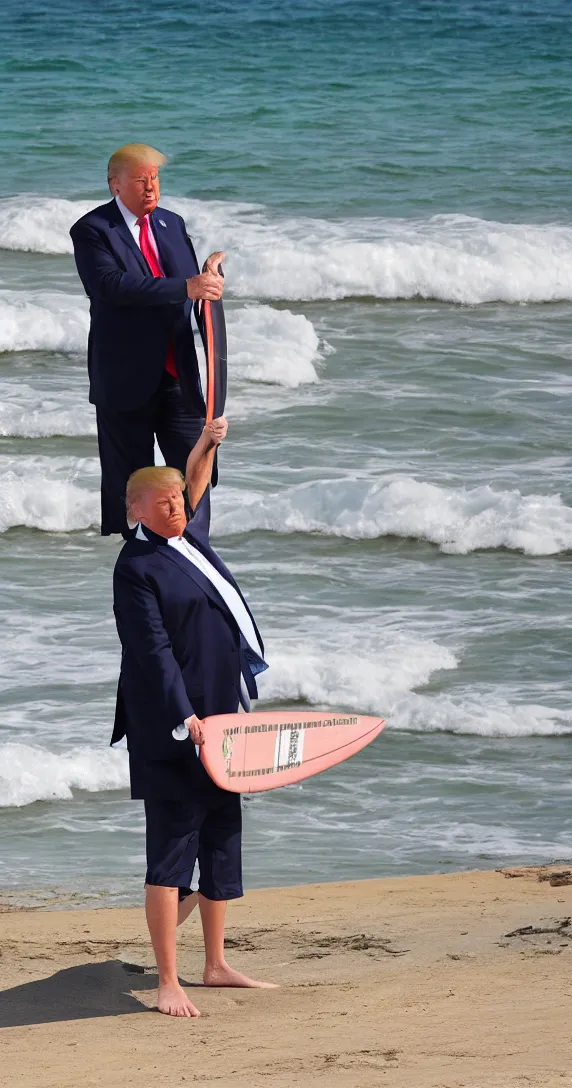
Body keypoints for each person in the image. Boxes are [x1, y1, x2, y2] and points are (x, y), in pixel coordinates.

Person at [111, 418, 276, 1017]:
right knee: (172, 850)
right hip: (171, 728)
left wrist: (204, 445)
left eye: (179, 499)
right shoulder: (136, 568)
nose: (178, 507)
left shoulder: (189, 537)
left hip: (219, 717)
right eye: (164, 503)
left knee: (221, 839)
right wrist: (187, 718)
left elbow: (197, 483)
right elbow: (150, 651)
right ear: (137, 510)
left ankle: (215, 963)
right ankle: (167, 982)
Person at [70, 142, 225, 537]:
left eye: (155, 178)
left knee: (195, 476)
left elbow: (186, 288)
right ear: (115, 185)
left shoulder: (171, 223)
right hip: (125, 378)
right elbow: (111, 286)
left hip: (177, 375)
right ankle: (142, 568)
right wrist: (187, 286)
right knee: (132, 488)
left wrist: (206, 280)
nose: (151, 187)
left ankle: (195, 554)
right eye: (141, 180)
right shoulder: (92, 230)